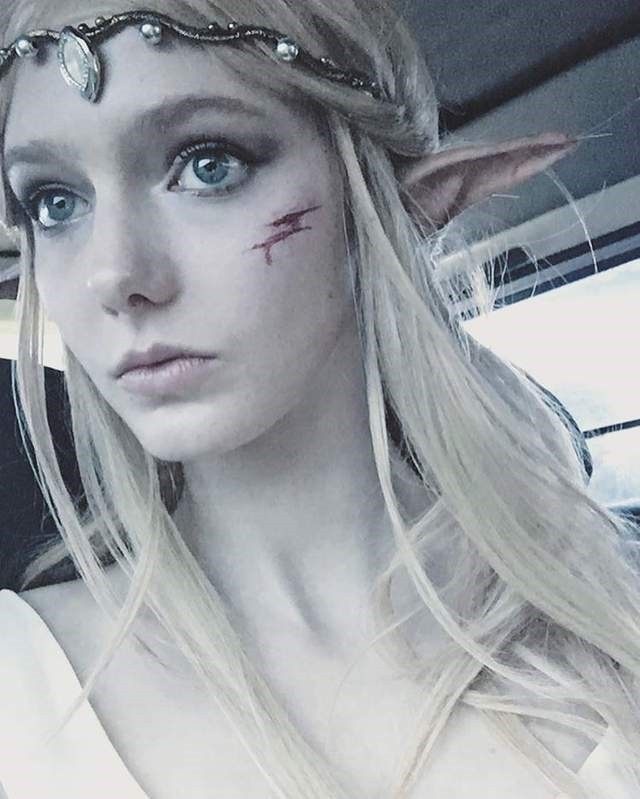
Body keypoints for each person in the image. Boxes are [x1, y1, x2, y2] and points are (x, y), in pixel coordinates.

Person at [0, 1, 638, 797]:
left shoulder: (611, 621)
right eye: (55, 202)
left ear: (381, 205)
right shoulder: (17, 684)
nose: (114, 275)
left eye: (208, 164)